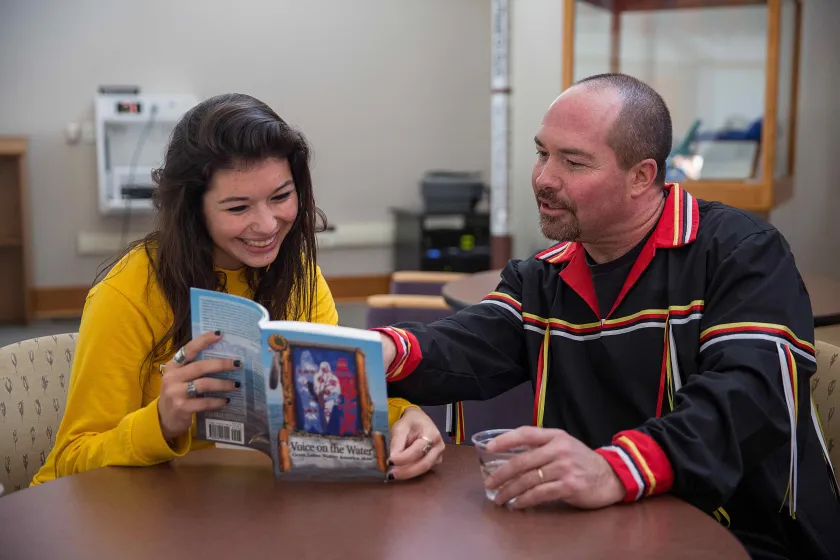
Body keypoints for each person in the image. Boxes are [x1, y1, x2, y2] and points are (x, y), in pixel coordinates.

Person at [376, 74, 840, 559]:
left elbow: (747, 399)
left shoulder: (740, 253)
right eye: (541, 154)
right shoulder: (545, 275)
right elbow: (468, 345)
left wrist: (614, 469)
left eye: (573, 162)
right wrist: (380, 353)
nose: (543, 179)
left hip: (743, 535)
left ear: (642, 176)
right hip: (599, 532)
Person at [32, 93, 444, 486]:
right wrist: (158, 422)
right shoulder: (127, 293)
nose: (267, 225)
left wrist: (400, 415)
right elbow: (71, 462)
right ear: (192, 210)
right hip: (143, 519)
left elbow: (325, 406)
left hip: (246, 506)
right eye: (238, 208)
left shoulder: (298, 273)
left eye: (281, 196)